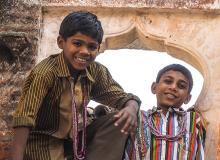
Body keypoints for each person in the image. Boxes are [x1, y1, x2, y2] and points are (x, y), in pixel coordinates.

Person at [12, 11, 141, 160]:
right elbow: (24, 119)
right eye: (77, 43)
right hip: (43, 142)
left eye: (92, 47)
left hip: (77, 140)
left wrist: (131, 108)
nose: (85, 52)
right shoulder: (45, 73)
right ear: (61, 42)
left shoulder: (96, 71)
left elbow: (122, 98)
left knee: (119, 120)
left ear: (98, 48)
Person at [124, 64, 206, 160]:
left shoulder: (193, 120)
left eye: (181, 86)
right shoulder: (138, 117)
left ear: (188, 98)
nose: (173, 87)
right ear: (154, 87)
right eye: (168, 81)